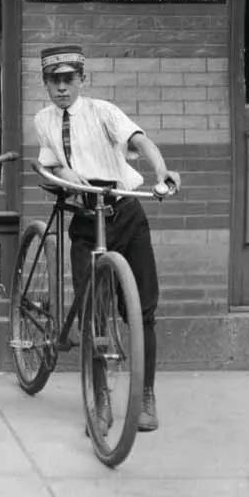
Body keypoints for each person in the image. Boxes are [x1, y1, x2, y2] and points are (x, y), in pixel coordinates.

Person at [32, 44, 181, 432]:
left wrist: (162, 172)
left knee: (143, 309)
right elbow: (47, 164)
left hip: (124, 214)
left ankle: (145, 395)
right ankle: (100, 402)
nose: (62, 87)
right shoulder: (43, 120)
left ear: (82, 79)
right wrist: (70, 179)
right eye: (54, 80)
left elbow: (140, 142)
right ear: (45, 83)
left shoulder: (103, 111)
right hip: (85, 219)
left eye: (69, 79)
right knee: (92, 315)